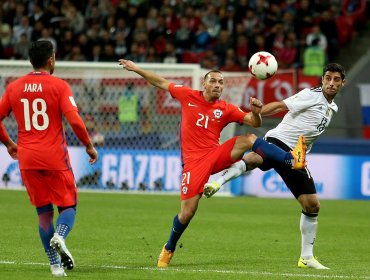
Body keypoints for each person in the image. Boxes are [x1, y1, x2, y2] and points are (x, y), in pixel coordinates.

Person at [118, 59, 307, 268]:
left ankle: (292, 159)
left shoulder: (226, 108)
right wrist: (137, 69)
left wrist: (256, 112)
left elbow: (253, 122)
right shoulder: (188, 95)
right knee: (187, 212)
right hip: (193, 163)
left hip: (215, 154)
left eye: (221, 83)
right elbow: (160, 82)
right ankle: (169, 247)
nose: (218, 85)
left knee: (250, 139)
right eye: (214, 81)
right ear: (204, 84)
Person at [204, 63, 346, 270]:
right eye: (327, 78)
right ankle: (217, 182)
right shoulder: (311, 95)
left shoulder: (332, 106)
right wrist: (257, 112)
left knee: (312, 205)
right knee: (255, 159)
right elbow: (281, 106)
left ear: (343, 82)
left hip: (295, 155)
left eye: (336, 79)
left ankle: (306, 258)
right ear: (322, 80)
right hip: (280, 143)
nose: (331, 83)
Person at [0, 40, 98, 277]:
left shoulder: (14, 87)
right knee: (68, 206)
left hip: (27, 158)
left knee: (43, 213)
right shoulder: (60, 86)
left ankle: (55, 266)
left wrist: (9, 143)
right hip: (54, 157)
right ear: (51, 60)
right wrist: (88, 145)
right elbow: (74, 120)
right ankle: (60, 236)